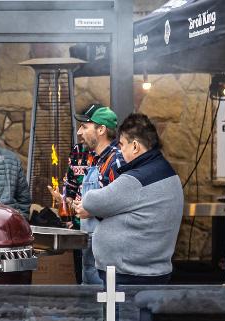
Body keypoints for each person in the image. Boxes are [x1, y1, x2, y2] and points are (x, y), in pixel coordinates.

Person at [76, 113, 183, 285]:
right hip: (147, 271)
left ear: (135, 146)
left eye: (122, 145)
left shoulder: (138, 179)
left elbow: (91, 201)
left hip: (130, 275)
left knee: (126, 313)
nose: (121, 151)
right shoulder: (165, 170)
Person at [64, 104, 126, 285]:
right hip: (91, 242)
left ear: (101, 129)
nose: (79, 132)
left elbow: (122, 205)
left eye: (85, 127)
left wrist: (91, 209)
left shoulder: (116, 161)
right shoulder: (98, 159)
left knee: (105, 301)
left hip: (107, 249)